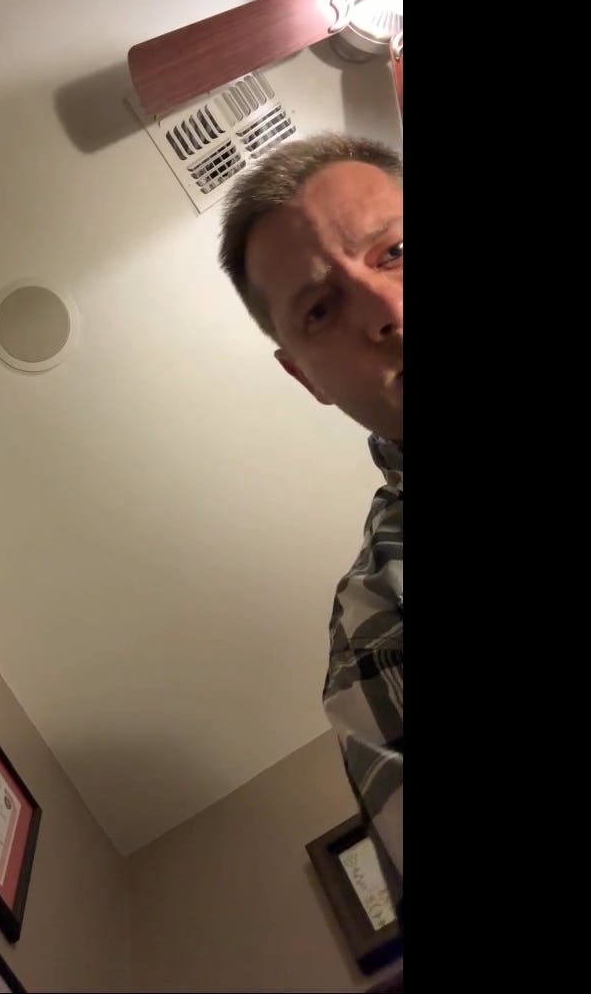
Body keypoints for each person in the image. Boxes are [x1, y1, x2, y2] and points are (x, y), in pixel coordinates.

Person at [218, 133, 404, 914]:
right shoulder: (379, 626)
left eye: (396, 252)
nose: (388, 310)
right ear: (305, 377)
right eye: (322, 310)